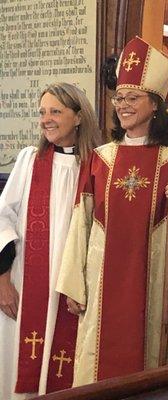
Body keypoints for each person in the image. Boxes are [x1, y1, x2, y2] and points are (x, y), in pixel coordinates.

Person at [56, 36, 168, 386]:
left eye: (132, 98)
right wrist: (73, 284)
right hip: (102, 287)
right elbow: (82, 223)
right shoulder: (101, 158)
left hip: (159, 287)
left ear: (155, 104)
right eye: (118, 97)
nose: (122, 105)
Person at [0, 82, 100, 399]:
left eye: (55, 111)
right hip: (25, 288)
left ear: (79, 117)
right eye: (42, 112)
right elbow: (2, 217)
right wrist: (2, 280)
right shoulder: (31, 161)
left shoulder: (96, 165)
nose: (46, 119)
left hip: (73, 290)